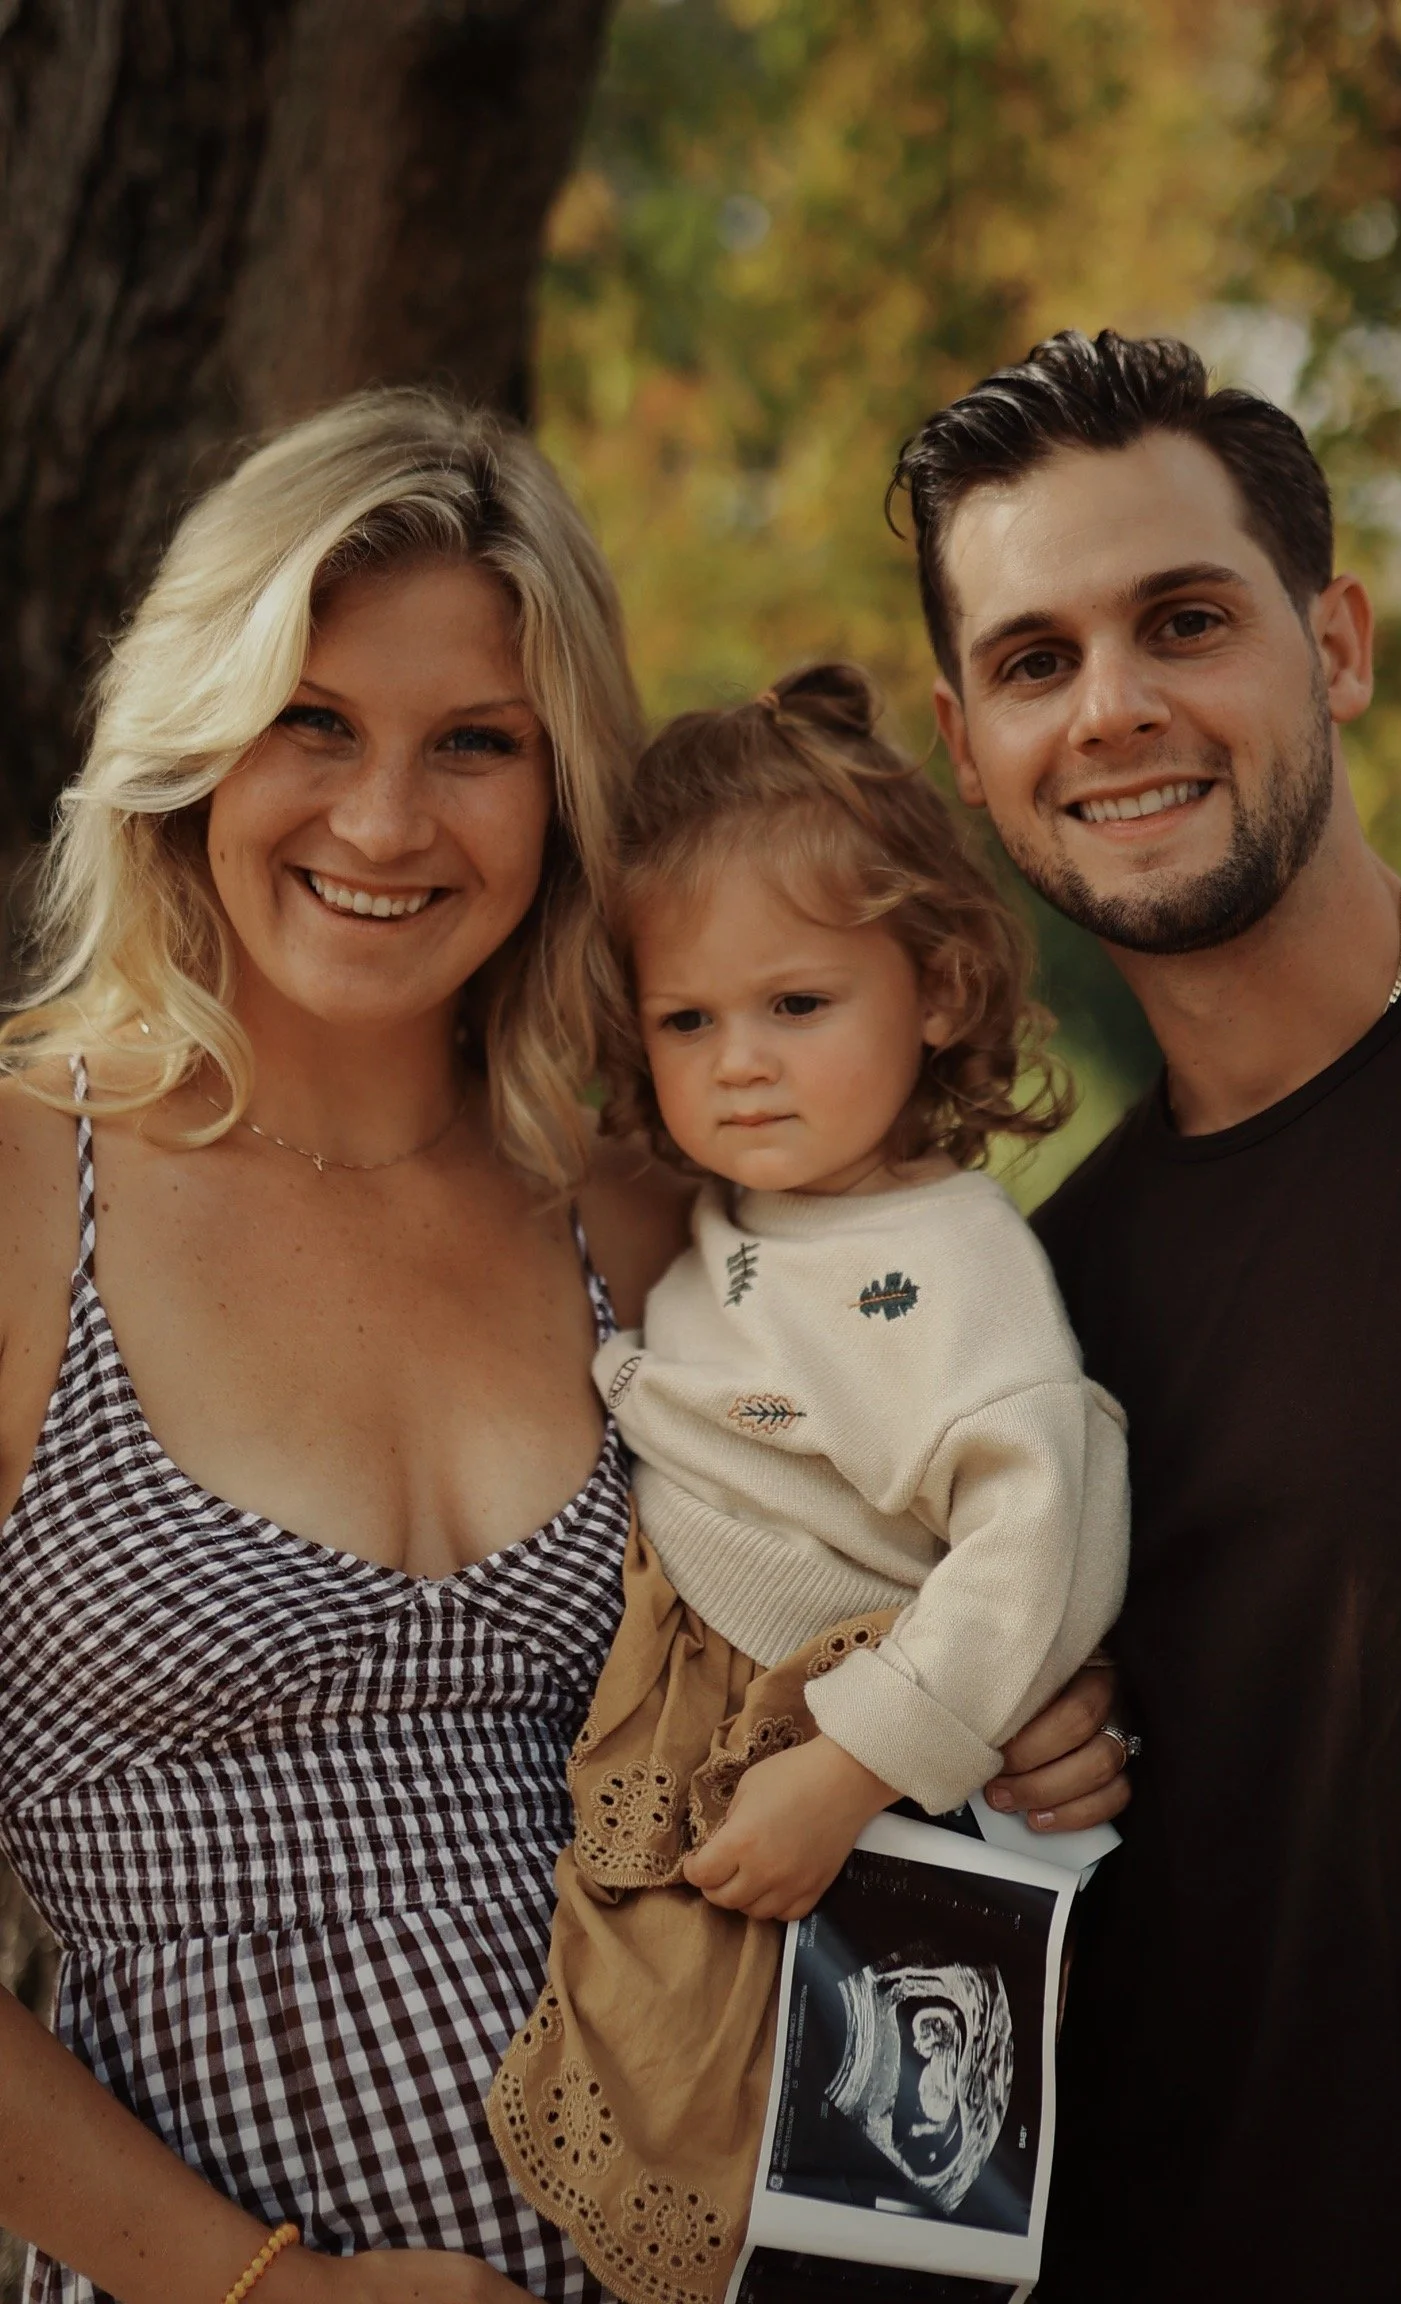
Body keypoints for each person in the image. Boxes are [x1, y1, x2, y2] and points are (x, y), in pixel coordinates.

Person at [0, 387, 1123, 2304]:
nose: (381, 817)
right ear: (196, 736)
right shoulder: (35, 1190)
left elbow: (897, 1569)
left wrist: (1014, 1717)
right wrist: (265, 2291)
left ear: (563, 787)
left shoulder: (643, 1224)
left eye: (474, 746)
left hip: (747, 2240)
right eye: (312, 721)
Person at [894, 327, 1401, 2302]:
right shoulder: (1027, 1312)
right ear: (967, 746)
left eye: (1185, 621)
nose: (1113, 710)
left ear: (1334, 645)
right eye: (1034, 662)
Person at [486, 665, 1129, 2304]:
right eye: (687, 1021)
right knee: (652, 2052)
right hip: (689, 1705)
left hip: (821, 1742)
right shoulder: (734, 1217)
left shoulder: (953, 1259)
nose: (740, 1066)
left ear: (934, 987)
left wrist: (852, 1768)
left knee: (798, 2131)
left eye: (796, 1007)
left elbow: (1040, 1534)